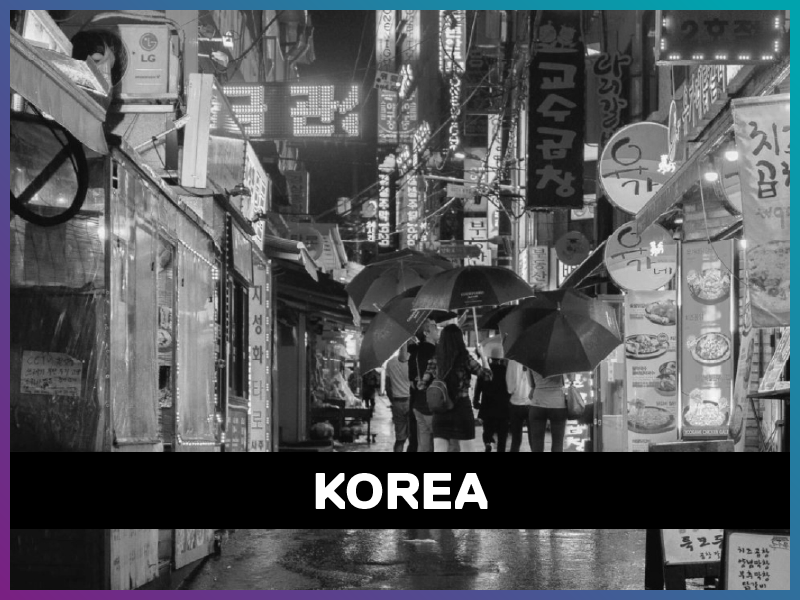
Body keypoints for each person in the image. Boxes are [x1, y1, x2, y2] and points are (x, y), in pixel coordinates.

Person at [417, 324, 492, 452]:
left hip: (441, 410)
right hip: (462, 410)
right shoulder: (465, 358)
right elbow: (487, 376)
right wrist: (483, 356)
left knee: (440, 450)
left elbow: (421, 386)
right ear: (460, 339)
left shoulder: (436, 359)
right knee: (467, 449)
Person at [408, 319, 439, 452]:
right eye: (434, 327)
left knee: (424, 445)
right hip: (433, 405)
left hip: (418, 404)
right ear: (426, 333)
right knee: (439, 445)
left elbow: (412, 382)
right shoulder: (436, 352)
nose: (437, 329)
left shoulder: (415, 353)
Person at [473, 348, 510, 452]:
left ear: (490, 357)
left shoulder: (485, 370)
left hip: (487, 405)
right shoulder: (505, 370)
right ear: (501, 358)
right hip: (503, 407)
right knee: (502, 433)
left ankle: (488, 442)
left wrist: (476, 400)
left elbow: (478, 387)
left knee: (487, 428)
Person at [528, 371, 568, 452]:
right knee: (558, 442)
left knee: (537, 443)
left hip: (538, 402)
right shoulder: (561, 364)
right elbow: (568, 379)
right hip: (557, 403)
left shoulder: (533, 363)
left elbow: (531, 384)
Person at [384, 346, 412, 452]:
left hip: (397, 402)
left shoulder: (390, 363)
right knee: (413, 438)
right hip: (410, 401)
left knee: (400, 439)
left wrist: (393, 401)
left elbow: (387, 386)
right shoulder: (413, 361)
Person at [505, 359, 534, 452]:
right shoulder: (534, 359)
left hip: (515, 404)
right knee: (534, 440)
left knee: (516, 440)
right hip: (531, 404)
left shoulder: (512, 361)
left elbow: (510, 388)